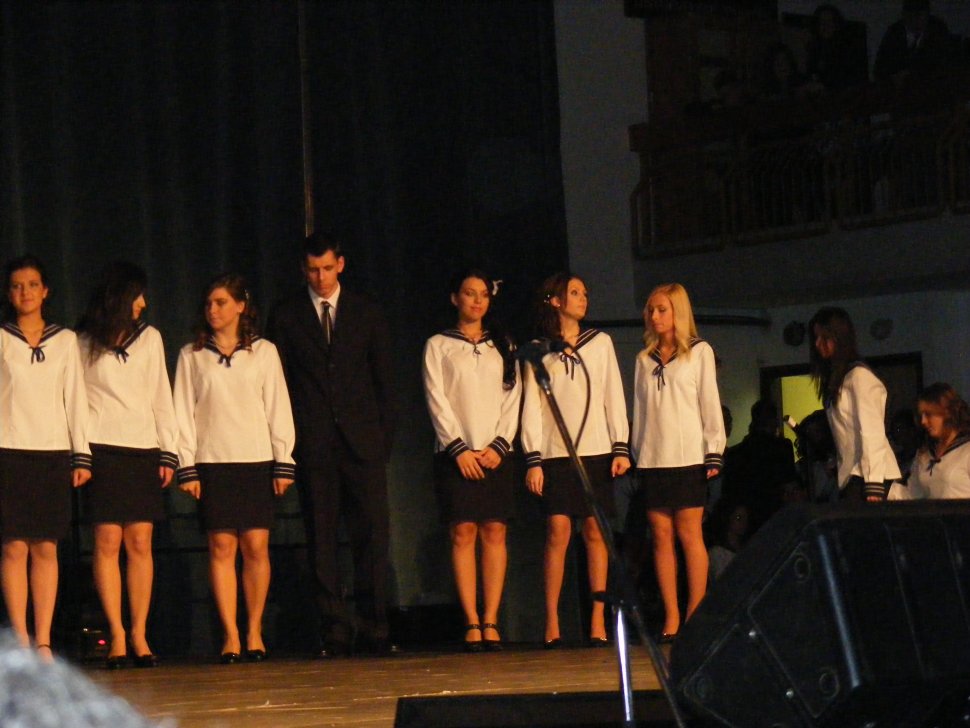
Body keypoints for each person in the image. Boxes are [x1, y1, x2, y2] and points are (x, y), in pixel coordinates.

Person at [267, 232, 396, 657]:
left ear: (340, 264)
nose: (320, 278)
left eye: (326, 268)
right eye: (312, 270)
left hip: (363, 444)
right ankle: (334, 629)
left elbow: (385, 381)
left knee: (371, 536)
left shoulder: (366, 311)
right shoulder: (286, 315)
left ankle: (375, 626)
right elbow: (280, 385)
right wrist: (291, 444)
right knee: (321, 540)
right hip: (314, 444)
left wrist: (381, 441)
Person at [174, 274, 295, 663]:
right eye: (209, 303)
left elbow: (277, 406)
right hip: (213, 460)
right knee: (222, 546)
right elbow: (182, 412)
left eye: (221, 302)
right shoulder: (192, 355)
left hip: (255, 459)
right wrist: (186, 464)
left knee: (256, 545)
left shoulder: (264, 352)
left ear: (241, 306)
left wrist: (283, 460)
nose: (213, 310)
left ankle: (254, 629)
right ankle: (230, 634)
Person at [76, 262, 178, 669]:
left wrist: (168, 450)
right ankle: (116, 633)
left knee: (140, 542)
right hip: (102, 448)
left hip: (142, 448)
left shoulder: (150, 338)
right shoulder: (83, 340)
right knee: (107, 542)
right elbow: (76, 401)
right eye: (137, 295)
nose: (143, 303)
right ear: (120, 296)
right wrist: (80, 452)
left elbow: (160, 395)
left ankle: (139, 632)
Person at [520, 272, 629, 648]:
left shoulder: (600, 343)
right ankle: (552, 621)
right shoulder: (538, 349)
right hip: (555, 451)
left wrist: (620, 445)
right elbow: (531, 404)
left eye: (585, 293)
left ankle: (597, 620)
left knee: (596, 532)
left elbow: (613, 393)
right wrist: (533, 458)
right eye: (575, 292)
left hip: (596, 449)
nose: (583, 298)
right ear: (556, 300)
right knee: (558, 532)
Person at [0, 254, 92, 660]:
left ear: (45, 291)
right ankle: (20, 637)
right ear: (9, 294)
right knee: (13, 547)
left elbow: (75, 397)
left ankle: (43, 639)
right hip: (9, 449)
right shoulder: (2, 338)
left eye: (32, 285)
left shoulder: (64, 340)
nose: (25, 292)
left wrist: (81, 454)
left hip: (51, 451)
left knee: (45, 547)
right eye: (17, 286)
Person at [422, 269, 520, 652]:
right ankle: (471, 621)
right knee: (463, 532)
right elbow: (436, 398)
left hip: (495, 453)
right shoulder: (438, 345)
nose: (477, 300)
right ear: (455, 298)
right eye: (469, 293)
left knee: (495, 531)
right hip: (455, 454)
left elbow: (513, 395)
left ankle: (491, 619)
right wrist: (458, 448)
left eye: (483, 294)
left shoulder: (503, 345)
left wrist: (500, 445)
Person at [631, 283, 725, 643]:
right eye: (651, 310)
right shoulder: (644, 360)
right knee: (660, 537)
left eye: (662, 309)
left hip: (688, 457)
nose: (654, 316)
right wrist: (636, 453)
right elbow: (640, 412)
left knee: (689, 534)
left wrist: (713, 449)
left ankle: (695, 612)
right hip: (654, 457)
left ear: (678, 312)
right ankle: (671, 614)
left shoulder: (699, 352)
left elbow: (709, 402)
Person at [808, 306, 900, 502]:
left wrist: (873, 483)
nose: (817, 343)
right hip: (855, 476)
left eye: (824, 337)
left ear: (839, 337)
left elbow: (871, 430)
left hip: (869, 478)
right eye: (816, 338)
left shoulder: (858, 376)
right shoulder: (843, 378)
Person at [721, 399, 798, 534]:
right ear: (773, 420)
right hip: (776, 514)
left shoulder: (736, 453)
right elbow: (789, 483)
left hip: (746, 519)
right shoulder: (782, 448)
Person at [889, 383, 970, 500]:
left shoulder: (966, 450)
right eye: (921, 415)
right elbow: (911, 494)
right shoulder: (924, 454)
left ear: (947, 412)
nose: (923, 421)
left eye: (928, 414)